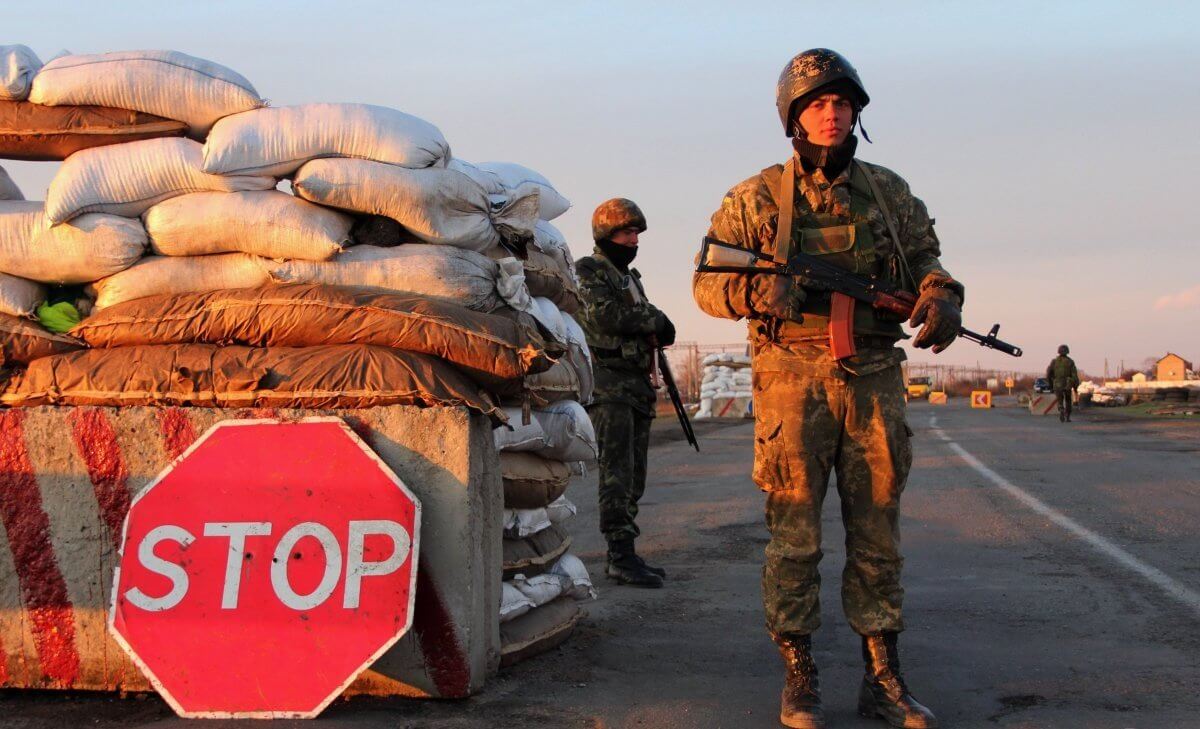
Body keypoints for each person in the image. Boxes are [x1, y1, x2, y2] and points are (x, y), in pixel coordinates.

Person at [692, 48, 956, 728]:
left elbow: (930, 263)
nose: (832, 114)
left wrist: (940, 296)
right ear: (794, 117)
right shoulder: (755, 198)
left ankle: (883, 675)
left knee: (878, 533)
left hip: (871, 378)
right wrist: (762, 288)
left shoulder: (889, 193)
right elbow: (706, 283)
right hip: (791, 382)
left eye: (842, 104)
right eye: (817, 104)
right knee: (794, 535)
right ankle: (799, 673)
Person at [575, 198, 676, 589]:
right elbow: (603, 315)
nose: (633, 240)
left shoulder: (630, 278)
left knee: (634, 476)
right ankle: (619, 556)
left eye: (636, 233)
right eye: (626, 232)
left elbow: (639, 316)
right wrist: (656, 319)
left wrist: (655, 324)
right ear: (606, 234)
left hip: (636, 384)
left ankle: (628, 551)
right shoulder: (589, 270)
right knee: (616, 475)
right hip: (609, 384)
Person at [1046, 345, 1080, 422]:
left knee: (1060, 399)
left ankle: (1061, 408)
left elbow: (1049, 374)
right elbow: (1074, 375)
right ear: (1067, 351)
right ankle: (1067, 416)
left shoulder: (1054, 361)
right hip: (1067, 384)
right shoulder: (1070, 361)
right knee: (1068, 400)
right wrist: (1075, 387)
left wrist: (1050, 385)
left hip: (1057, 384)